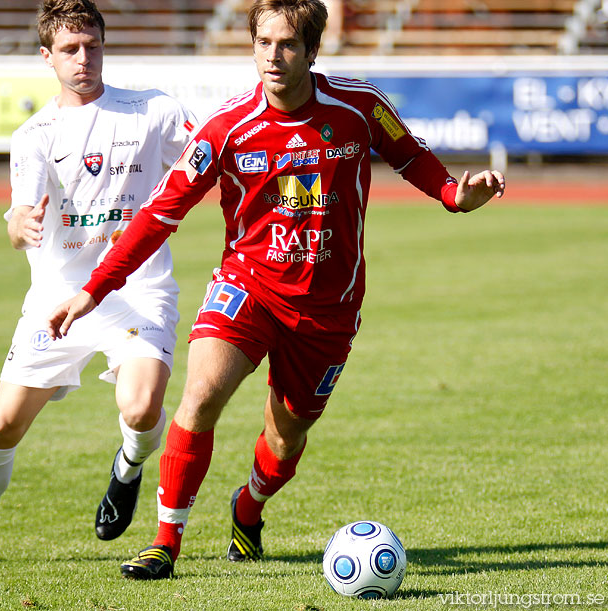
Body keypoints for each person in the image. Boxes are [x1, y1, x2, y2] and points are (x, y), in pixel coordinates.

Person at [47, 0, 505, 580]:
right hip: (248, 288)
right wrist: (93, 290)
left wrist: (452, 195)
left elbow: (410, 155)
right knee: (202, 395)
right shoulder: (227, 128)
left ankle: (249, 505)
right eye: (263, 42)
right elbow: (160, 213)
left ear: (312, 50)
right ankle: (166, 542)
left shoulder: (359, 108)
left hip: (329, 309)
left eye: (287, 44)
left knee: (285, 440)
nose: (273, 56)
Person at [0, 0, 196, 564]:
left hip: (136, 289)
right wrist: (18, 224)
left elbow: (212, 150)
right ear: (46, 56)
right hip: (56, 300)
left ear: (104, 45)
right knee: (1, 425)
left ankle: (127, 467)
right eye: (70, 49)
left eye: (92, 45)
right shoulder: (33, 135)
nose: (84, 58)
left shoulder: (153, 112)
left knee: (143, 408)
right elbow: (19, 216)